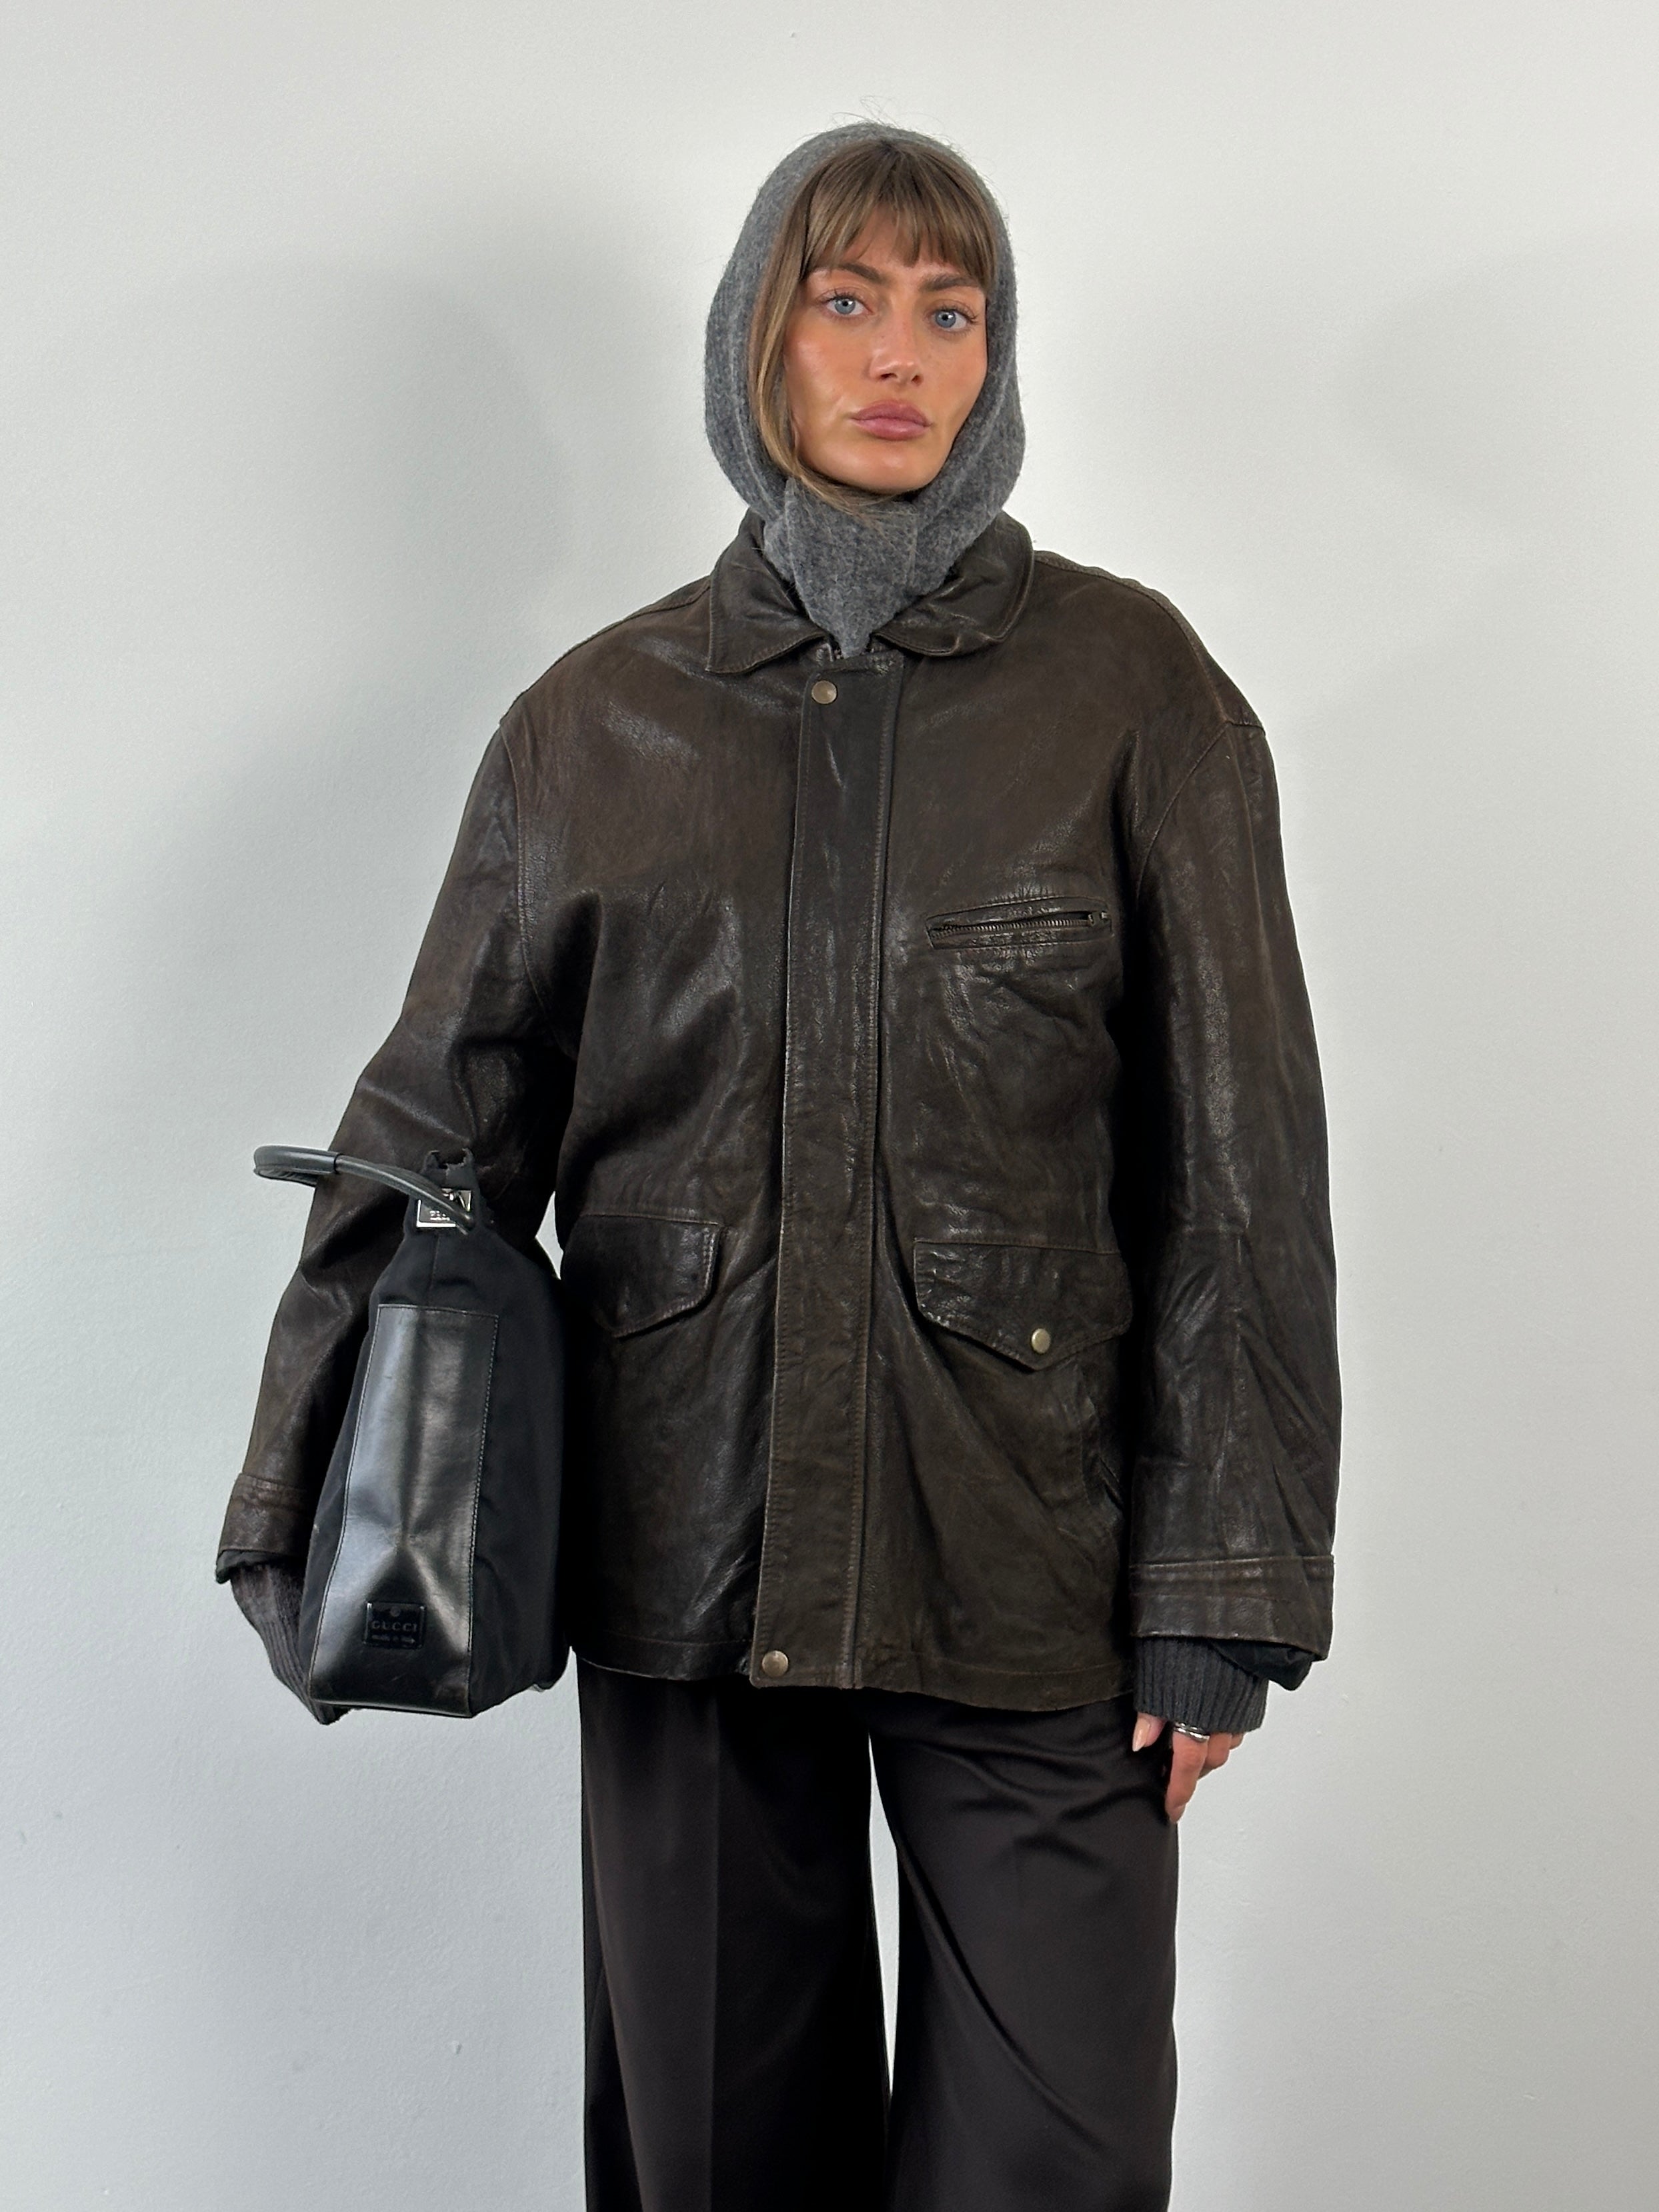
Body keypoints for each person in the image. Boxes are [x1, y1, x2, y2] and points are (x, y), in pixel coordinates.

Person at [217, 125, 1339, 2212]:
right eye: (847, 301)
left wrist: (1224, 1603)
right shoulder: (595, 727)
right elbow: (436, 1135)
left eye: (951, 311)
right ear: (759, 336)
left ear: (998, 356)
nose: (901, 356)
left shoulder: (1136, 696)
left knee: (1061, 2159)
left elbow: (1241, 1174)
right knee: (720, 2165)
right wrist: (302, 1510)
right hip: (687, 1561)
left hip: (1033, 1571)